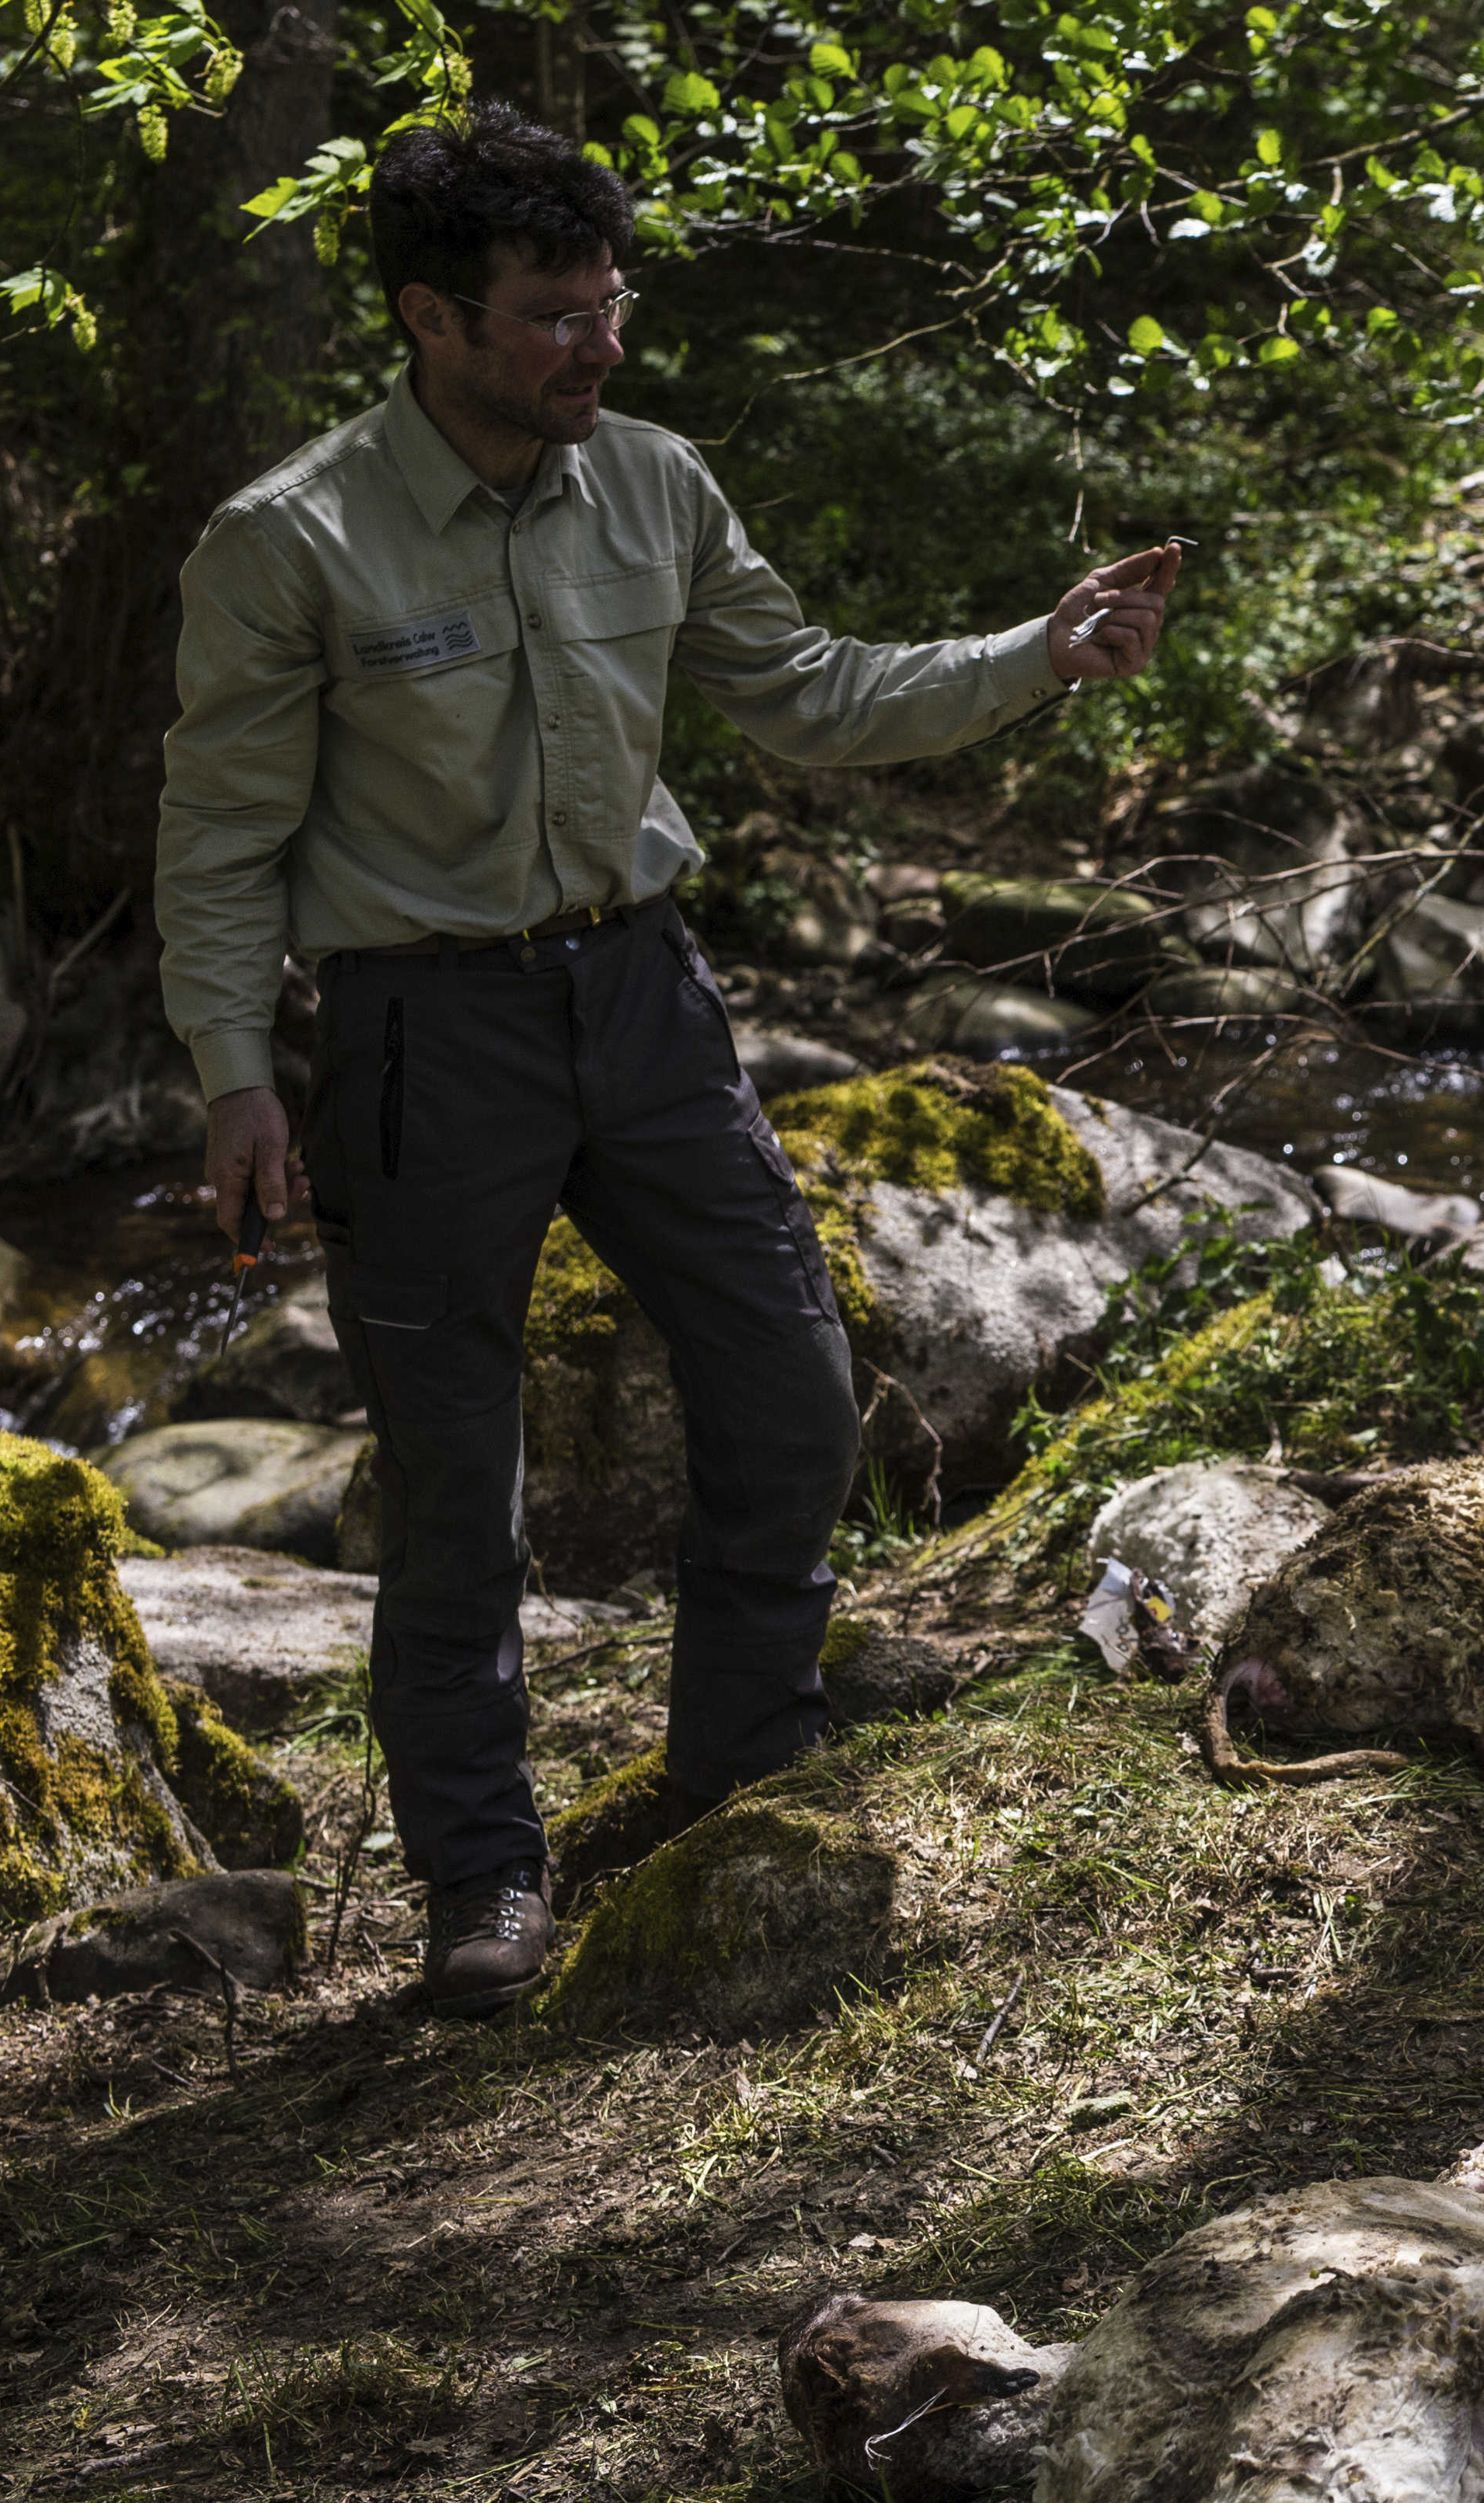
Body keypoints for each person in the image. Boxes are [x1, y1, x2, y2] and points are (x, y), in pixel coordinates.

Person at [153, 103, 1178, 2017]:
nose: (600, 347)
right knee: (458, 1482)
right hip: (413, 1037)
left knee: (788, 1379)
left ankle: (737, 1758)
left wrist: (1042, 652)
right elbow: (215, 835)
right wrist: (234, 1074)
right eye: (553, 316)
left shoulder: (656, 485)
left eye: (609, 303)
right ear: (431, 319)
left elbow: (813, 695)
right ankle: (483, 1878)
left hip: (641, 998)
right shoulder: (286, 539)